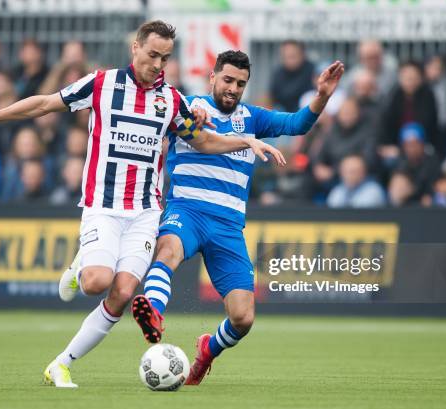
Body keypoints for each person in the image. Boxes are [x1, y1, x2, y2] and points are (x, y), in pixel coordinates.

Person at [0, 20, 284, 388]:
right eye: (153, 55)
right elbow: (45, 104)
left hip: (145, 213)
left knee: (124, 292)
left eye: (166, 58)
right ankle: (81, 266)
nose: (158, 64)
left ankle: (60, 364)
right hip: (103, 206)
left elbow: (203, 141)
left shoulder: (171, 100)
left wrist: (245, 142)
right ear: (136, 49)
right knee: (97, 282)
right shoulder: (102, 84)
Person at [120, 51, 341, 385]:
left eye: (240, 83)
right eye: (227, 80)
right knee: (168, 250)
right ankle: (152, 311)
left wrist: (322, 95)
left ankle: (208, 348)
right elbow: (154, 122)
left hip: (228, 226)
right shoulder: (187, 106)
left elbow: (297, 124)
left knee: (243, 317)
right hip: (187, 211)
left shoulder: (252, 118)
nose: (233, 88)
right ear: (212, 77)